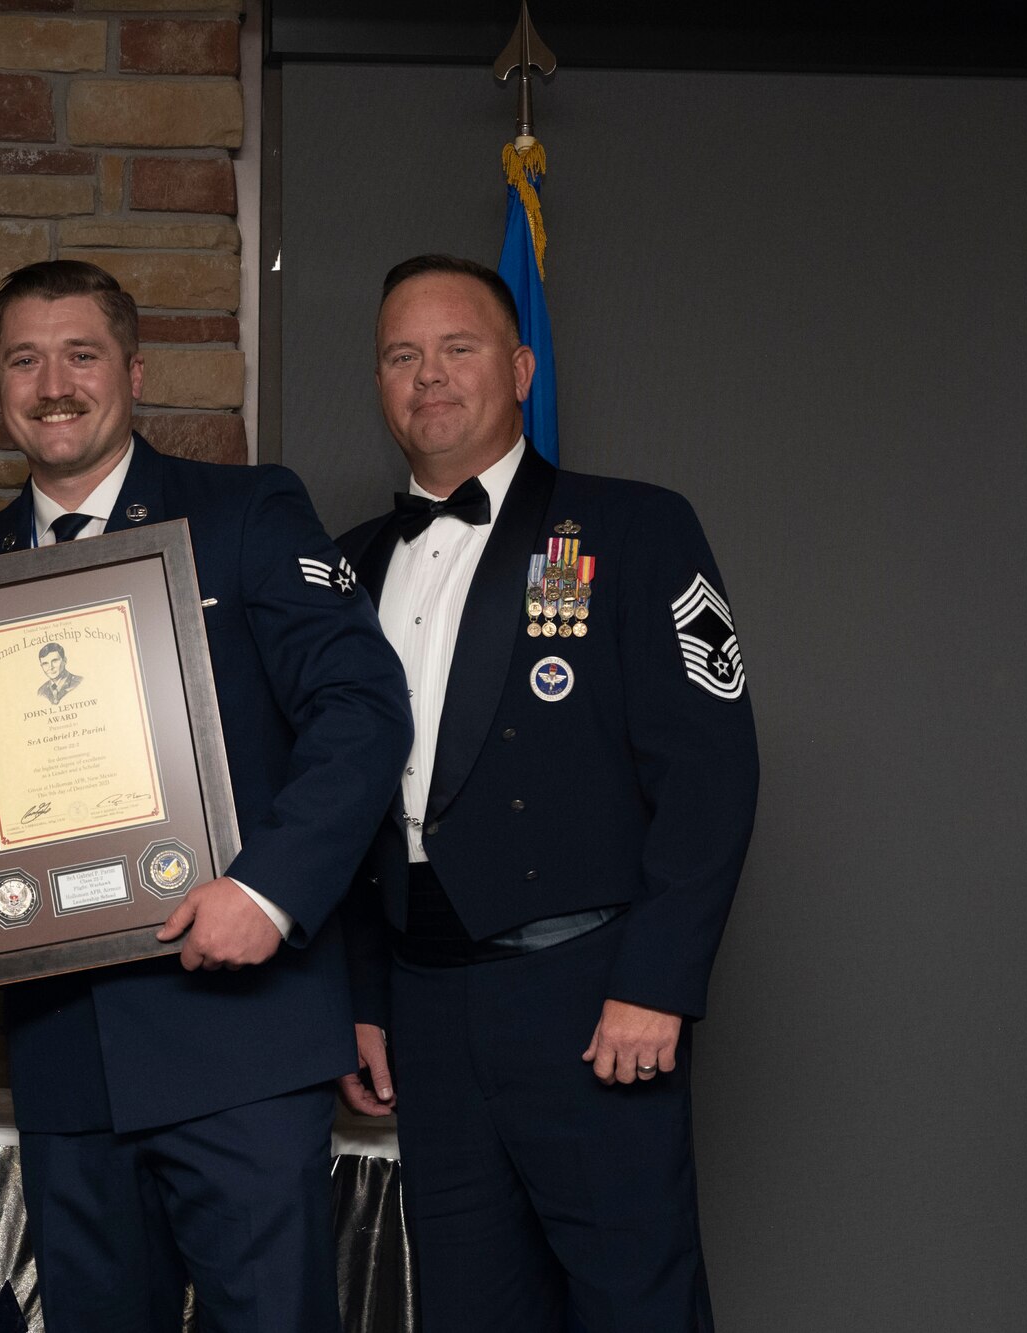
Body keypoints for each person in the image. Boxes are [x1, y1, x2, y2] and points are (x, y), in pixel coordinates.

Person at [0, 260, 410, 1332]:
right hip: (70, 1064)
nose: (53, 383)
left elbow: (361, 711)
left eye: (80, 354)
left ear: (133, 368)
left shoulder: (248, 510)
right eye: (23, 359)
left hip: (241, 1047)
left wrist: (264, 891)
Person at [333, 253, 759, 1331]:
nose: (428, 375)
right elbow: (336, 803)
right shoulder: (341, 568)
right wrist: (366, 1002)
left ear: (519, 369)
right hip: (423, 1009)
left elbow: (710, 772)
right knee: (468, 1311)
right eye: (401, 355)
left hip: (589, 993)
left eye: (457, 348)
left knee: (633, 1305)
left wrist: (655, 982)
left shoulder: (630, 529)